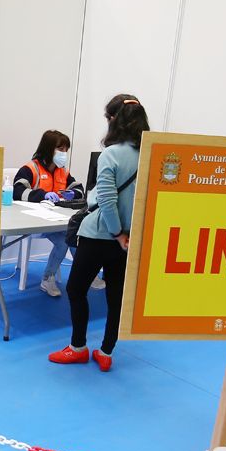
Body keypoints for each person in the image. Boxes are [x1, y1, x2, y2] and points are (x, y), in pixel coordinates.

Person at [48, 95, 148, 372]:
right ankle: (106, 352)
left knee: (76, 288)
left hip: (101, 235)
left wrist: (116, 231)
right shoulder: (152, 156)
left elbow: (106, 200)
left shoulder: (111, 155)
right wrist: (127, 235)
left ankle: (78, 347)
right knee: (116, 297)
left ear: (114, 120)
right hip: (128, 240)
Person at [12, 130, 85, 297]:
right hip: (33, 222)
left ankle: (84, 275)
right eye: (60, 149)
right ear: (48, 148)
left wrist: (73, 194)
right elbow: (17, 191)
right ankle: (48, 278)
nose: (63, 154)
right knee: (63, 242)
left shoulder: (62, 171)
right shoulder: (30, 168)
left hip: (56, 221)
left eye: (66, 150)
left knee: (77, 236)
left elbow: (79, 188)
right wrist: (42, 195)